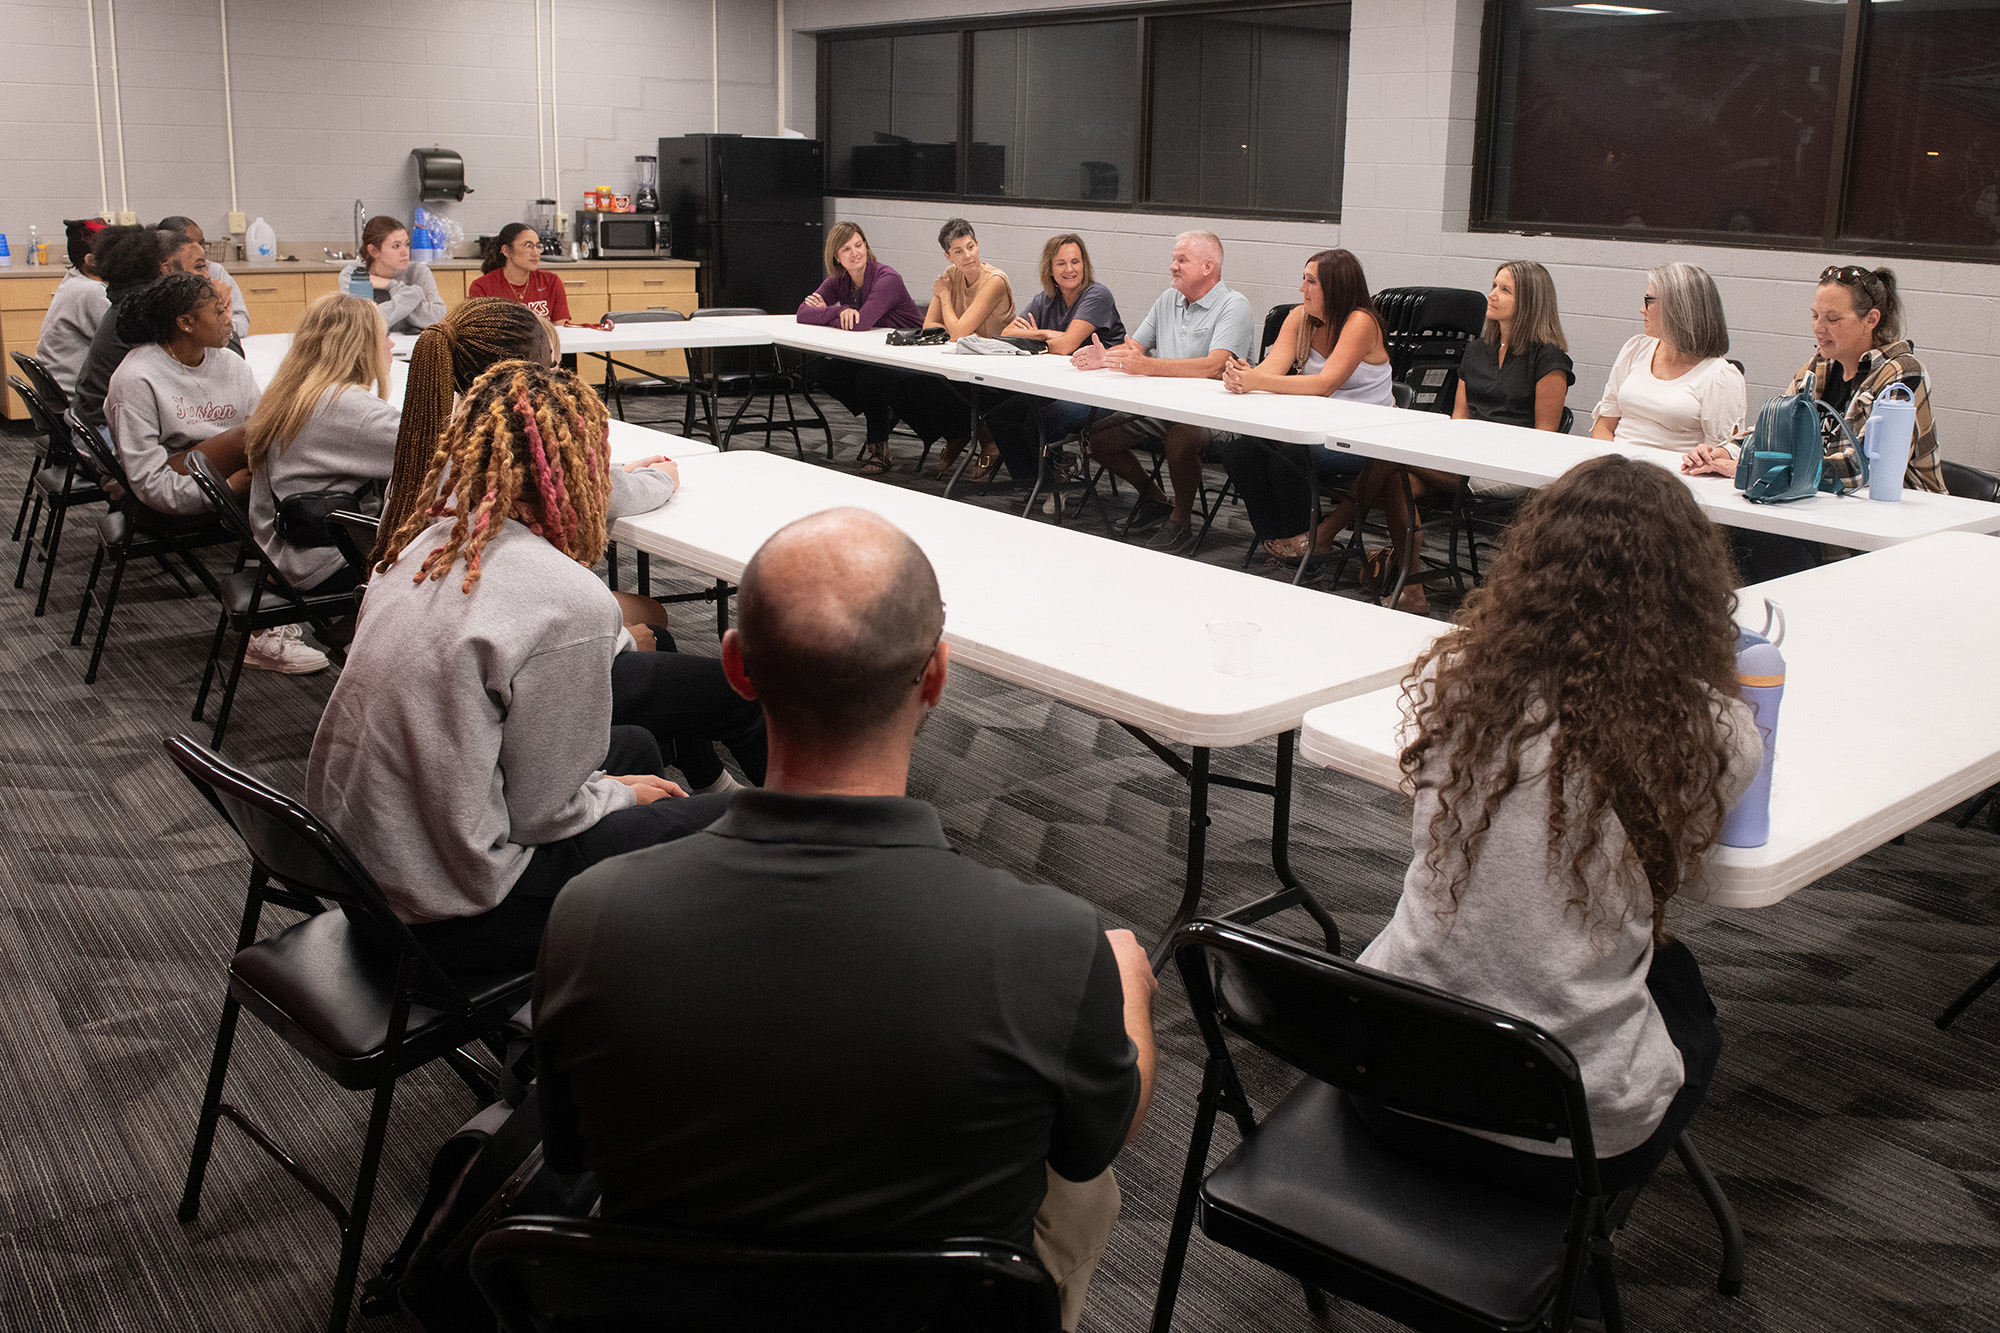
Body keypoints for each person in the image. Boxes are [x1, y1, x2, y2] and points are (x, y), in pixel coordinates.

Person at [534, 507, 1155, 1332]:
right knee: (1086, 1175)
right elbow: (1093, 1142)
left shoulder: (591, 915)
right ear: (936, 676)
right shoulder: (1051, 943)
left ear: (736, 668)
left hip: (668, 1307)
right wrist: (1128, 993)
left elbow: (573, 1152)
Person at [1355, 454, 1760, 1215]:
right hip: (1572, 1137)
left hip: (1386, 1082)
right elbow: (1704, 841)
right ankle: (1583, 1238)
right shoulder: (1716, 730)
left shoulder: (1465, 684)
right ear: (1691, 592)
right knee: (1688, 1003)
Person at [309, 360, 734, 975]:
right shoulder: (568, 599)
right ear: (586, 470)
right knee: (724, 822)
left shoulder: (418, 547)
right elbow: (544, 816)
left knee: (637, 748)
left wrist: (613, 791)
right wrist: (613, 799)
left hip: (364, 879)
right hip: (452, 914)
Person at [373, 296, 766, 793]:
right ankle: (819, 836)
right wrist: (611, 648)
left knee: (654, 668)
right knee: (726, 685)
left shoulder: (429, 454)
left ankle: (715, 790)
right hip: (492, 775)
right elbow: (543, 806)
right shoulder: (539, 516)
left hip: (439, 740)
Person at [102, 272, 328, 675]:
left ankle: (313, 602)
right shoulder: (136, 378)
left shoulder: (230, 364)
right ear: (185, 323)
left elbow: (268, 445)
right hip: (166, 501)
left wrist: (248, 481)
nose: (232, 319)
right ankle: (268, 630)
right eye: (220, 310)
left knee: (304, 476)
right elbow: (152, 485)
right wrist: (228, 489)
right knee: (279, 478)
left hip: (230, 483)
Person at [1682, 264, 1945, 583]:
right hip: (1822, 517)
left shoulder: (1902, 374)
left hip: (1890, 531)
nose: (1819, 328)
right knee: (1710, 536)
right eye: (1815, 316)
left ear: (1871, 320)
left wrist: (1751, 467)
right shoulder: (1815, 368)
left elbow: (1861, 469)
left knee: (1752, 546)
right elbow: (1769, 431)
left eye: (1833, 319)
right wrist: (1723, 453)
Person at [1075, 230, 1254, 554]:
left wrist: (1147, 366)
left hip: (1217, 413)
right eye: (1174, 259)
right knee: (1095, 438)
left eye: (1181, 260)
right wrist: (1107, 357)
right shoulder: (1167, 299)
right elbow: (1134, 348)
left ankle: (1181, 521)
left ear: (1208, 266)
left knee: (1181, 439)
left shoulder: (1234, 305)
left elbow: (1216, 366)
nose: (1173, 266)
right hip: (1163, 407)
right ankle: (1154, 497)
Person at [1216, 248, 1393, 561]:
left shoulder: (1361, 322)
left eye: (1310, 282)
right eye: (1303, 279)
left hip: (1361, 436)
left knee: (1289, 460)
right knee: (1239, 452)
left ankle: (1306, 552)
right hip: (1312, 428)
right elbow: (1269, 371)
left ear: (1334, 288)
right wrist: (1242, 377)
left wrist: (1256, 381)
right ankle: (1280, 542)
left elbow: (1325, 385)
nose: (1302, 289)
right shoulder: (1300, 318)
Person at [243, 293, 400, 599]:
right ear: (361, 346)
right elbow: (436, 446)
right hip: (323, 561)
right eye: (385, 335)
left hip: (279, 551)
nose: (391, 345)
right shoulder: (347, 406)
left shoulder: (296, 391)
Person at [849, 218, 1015, 479]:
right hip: (956, 366)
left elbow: (956, 333)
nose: (968, 255)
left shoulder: (994, 280)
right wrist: (953, 326)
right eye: (958, 251)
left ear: (978, 245)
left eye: (971, 246)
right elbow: (931, 328)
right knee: (892, 381)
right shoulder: (950, 276)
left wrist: (946, 299)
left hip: (993, 374)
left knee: (925, 385)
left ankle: (984, 436)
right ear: (948, 256)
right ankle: (957, 431)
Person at [981, 233, 1126, 484]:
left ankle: (1054, 482)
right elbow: (1007, 334)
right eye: (1061, 263)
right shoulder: (1045, 299)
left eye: (1075, 262)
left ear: (1085, 265)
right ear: (1050, 268)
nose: (1069, 269)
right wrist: (1044, 333)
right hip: (1061, 385)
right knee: (999, 417)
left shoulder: (1097, 295)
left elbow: (1067, 345)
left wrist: (1039, 337)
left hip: (1101, 391)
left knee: (1040, 421)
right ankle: (1034, 482)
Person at [795, 221, 923, 476]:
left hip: (910, 355)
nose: (855, 253)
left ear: (866, 245)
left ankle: (879, 448)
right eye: (846, 249)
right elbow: (802, 313)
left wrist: (828, 313)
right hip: (876, 352)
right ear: (836, 257)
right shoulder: (839, 281)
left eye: (859, 244)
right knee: (825, 373)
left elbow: (860, 323)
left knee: (868, 380)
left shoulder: (888, 279)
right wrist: (839, 310)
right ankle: (883, 413)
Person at [1591, 262, 1745, 455]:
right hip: (1616, 468)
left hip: (1670, 478)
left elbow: (1718, 455)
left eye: (1649, 301)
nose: (1642, 309)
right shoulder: (1635, 349)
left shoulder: (1720, 376)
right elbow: (1604, 425)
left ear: (1677, 308)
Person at [73, 226, 208, 430]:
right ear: (167, 269)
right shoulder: (150, 310)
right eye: (199, 267)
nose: (207, 276)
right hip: (106, 427)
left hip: (93, 417)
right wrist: (220, 310)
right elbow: (212, 360)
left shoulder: (129, 299)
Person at [33, 218, 110, 396]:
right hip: (73, 395)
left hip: (56, 389)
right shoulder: (90, 291)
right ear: (90, 260)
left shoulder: (74, 278)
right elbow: (124, 339)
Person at [335, 216, 447, 333]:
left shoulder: (419, 272)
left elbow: (438, 317)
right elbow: (362, 322)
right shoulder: (354, 275)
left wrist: (391, 285)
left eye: (407, 244)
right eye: (396, 246)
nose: (405, 252)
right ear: (374, 251)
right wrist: (413, 295)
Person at [158, 216, 249, 338]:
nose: (207, 275)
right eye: (193, 244)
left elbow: (241, 318)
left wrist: (226, 327)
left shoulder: (214, 271)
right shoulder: (155, 289)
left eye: (202, 244)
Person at [467, 223, 571, 323]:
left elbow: (561, 327)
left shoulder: (551, 282)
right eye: (528, 245)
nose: (536, 253)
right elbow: (481, 333)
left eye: (538, 246)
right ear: (506, 251)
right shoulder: (482, 287)